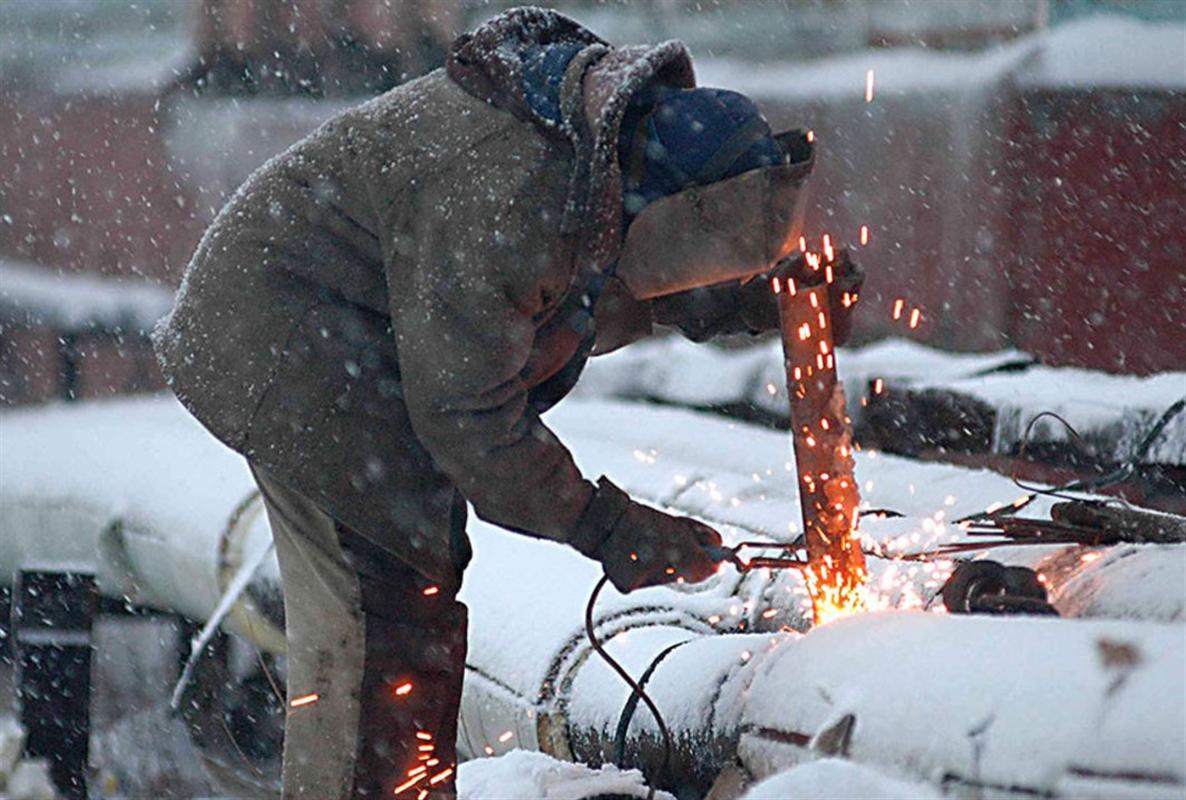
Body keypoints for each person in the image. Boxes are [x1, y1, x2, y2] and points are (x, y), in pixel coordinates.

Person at [154, 7, 857, 798]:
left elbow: (597, 285)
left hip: (362, 334)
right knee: (380, 611)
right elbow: (468, 414)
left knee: (414, 589)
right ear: (658, 201)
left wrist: (736, 301)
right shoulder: (510, 192)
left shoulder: (601, 160)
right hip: (290, 341)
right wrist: (607, 526)